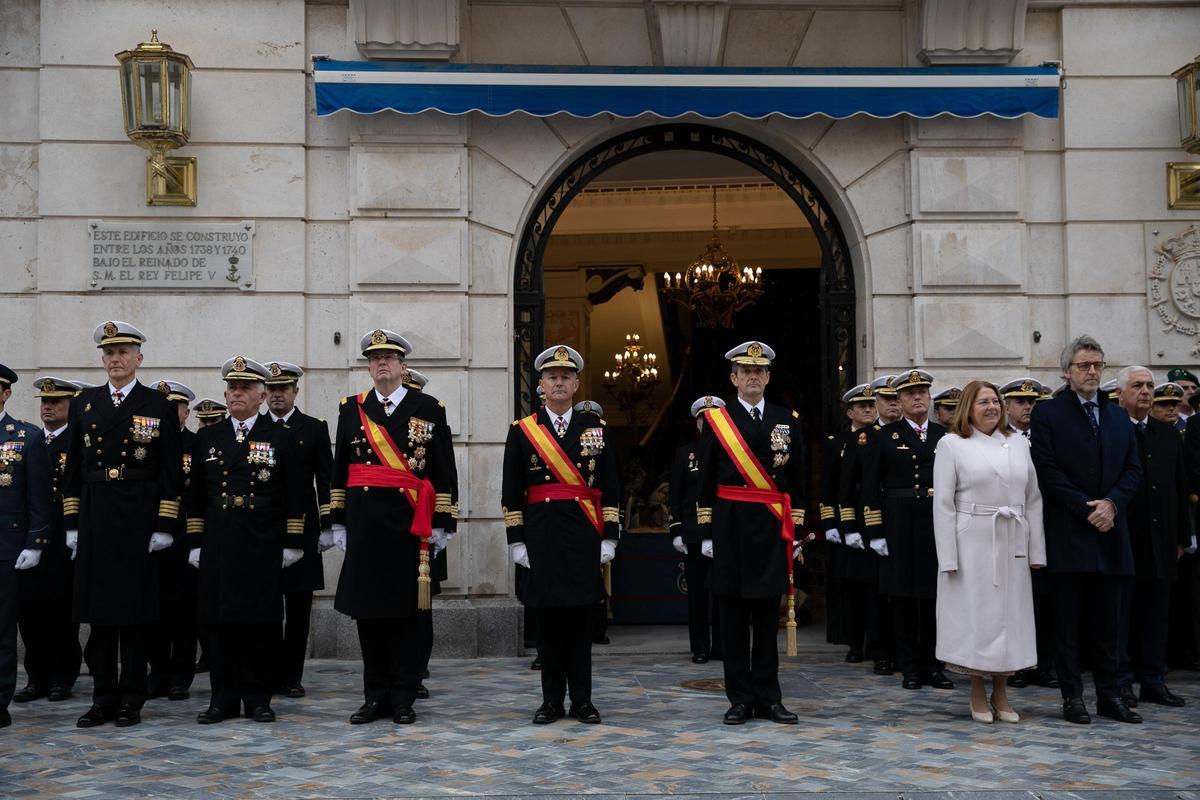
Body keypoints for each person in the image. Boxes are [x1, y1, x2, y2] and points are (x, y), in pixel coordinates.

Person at [331, 329, 457, 726]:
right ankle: (375, 696)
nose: (381, 363)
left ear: (403, 366)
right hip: (366, 527)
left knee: (406, 617)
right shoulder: (351, 409)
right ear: (368, 367)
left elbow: (443, 469)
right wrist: (337, 522)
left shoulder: (428, 408)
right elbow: (340, 472)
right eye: (374, 358)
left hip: (409, 528)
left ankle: (403, 696)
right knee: (369, 617)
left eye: (389, 357)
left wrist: (442, 524)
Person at [64, 321, 184, 728]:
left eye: (123, 353)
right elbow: (74, 472)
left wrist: (165, 525)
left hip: (139, 516)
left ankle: (132, 696)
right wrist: (72, 523)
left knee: (134, 618)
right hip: (97, 515)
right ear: (103, 359)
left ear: (139, 359)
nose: (116, 359)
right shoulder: (85, 403)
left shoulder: (157, 405)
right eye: (109, 353)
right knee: (99, 618)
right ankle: (102, 696)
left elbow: (171, 472)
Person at [502, 345, 620, 725]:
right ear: (540, 385)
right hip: (543, 539)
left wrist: (610, 537)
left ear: (577, 384)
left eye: (565, 377)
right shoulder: (522, 432)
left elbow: (612, 486)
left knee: (581, 626)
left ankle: (582, 701)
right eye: (552, 377)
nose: (559, 383)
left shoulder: (596, 431)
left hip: (584, 537)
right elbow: (510, 492)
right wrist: (516, 541)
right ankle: (551, 701)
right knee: (549, 627)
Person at [1030, 334, 1143, 725]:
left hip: (1111, 531)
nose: (1092, 371)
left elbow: (1133, 468)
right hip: (1069, 532)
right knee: (1068, 624)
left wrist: (1111, 504)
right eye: (1084, 365)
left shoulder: (1116, 415)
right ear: (1067, 371)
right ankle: (1072, 697)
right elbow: (1046, 470)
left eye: (1098, 364)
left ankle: (1110, 696)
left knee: (1109, 624)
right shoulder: (1049, 413)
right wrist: (1085, 508)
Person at [187, 357, 305, 724]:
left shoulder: (280, 437)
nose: (237, 394)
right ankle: (222, 698)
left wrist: (292, 542)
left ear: (261, 396)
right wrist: (194, 541)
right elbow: (195, 495)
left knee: (261, 623)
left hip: (262, 540)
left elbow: (295, 493)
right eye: (232, 389)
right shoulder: (208, 436)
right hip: (220, 540)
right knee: (219, 623)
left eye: (245, 389)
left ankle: (258, 697)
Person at [695, 341, 804, 725]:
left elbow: (798, 479)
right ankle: (739, 698)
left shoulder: (786, 418)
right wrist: (706, 533)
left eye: (760, 371)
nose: (753, 376)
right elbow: (705, 480)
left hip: (772, 528)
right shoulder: (716, 421)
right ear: (734, 378)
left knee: (765, 616)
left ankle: (769, 697)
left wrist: (799, 532)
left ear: (768, 377)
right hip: (730, 527)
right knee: (734, 620)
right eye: (746, 371)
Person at [933, 381, 1046, 724]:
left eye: (995, 402)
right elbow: (943, 504)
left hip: (1011, 539)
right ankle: (977, 691)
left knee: (1010, 618)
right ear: (969, 407)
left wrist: (1036, 550)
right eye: (983, 402)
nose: (991, 408)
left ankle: (1002, 691)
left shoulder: (1018, 444)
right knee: (978, 619)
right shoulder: (952, 444)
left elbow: (1033, 499)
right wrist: (948, 556)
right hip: (973, 542)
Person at [860, 370, 954, 691]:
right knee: (901, 599)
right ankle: (909, 666)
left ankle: (934, 665)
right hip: (898, 522)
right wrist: (874, 533)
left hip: (935, 521)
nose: (918, 398)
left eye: (923, 393)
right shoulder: (884, 436)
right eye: (910, 394)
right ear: (898, 401)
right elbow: (870, 490)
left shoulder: (946, 437)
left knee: (933, 598)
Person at [1115, 370, 1191, 709]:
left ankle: (1153, 680)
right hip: (1126, 537)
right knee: (1123, 614)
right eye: (1138, 386)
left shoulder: (1168, 433)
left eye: (1149, 387)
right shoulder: (1112, 431)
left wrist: (1180, 536)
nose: (1146, 392)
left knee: (1157, 613)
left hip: (1162, 540)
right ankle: (1121, 680)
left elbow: (1179, 486)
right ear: (1120, 394)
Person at [263, 360, 333, 700]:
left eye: (284, 389)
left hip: (303, 530)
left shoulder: (313, 428)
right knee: (266, 607)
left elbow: (326, 479)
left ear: (295, 392)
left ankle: (291, 675)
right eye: (272, 390)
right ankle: (268, 671)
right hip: (262, 531)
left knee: (299, 609)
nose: (277, 395)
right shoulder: (254, 427)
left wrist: (328, 526)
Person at [13, 377, 82, 706]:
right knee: (29, 612)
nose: (48, 406)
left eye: (56, 401)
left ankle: (61, 676)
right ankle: (35, 677)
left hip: (62, 541)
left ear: (71, 405)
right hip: (29, 539)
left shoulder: (77, 441)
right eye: (44, 401)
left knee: (61, 612)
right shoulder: (30, 439)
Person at [398, 366, 458, 698]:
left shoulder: (430, 422)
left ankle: (417, 669)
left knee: (422, 609)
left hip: (426, 528)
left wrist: (444, 525)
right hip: (394, 525)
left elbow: (446, 471)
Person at [837, 375, 900, 676]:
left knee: (900, 592)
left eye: (895, 398)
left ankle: (904, 649)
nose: (892, 404)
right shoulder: (861, 439)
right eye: (887, 399)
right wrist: (849, 527)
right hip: (870, 523)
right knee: (874, 593)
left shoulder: (910, 434)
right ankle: (879, 651)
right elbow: (847, 487)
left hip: (902, 523)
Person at [997, 377, 1058, 690]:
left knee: (1045, 600)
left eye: (1032, 402)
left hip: (1046, 524)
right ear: (1006, 406)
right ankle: (1016, 664)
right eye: (1020, 402)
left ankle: (1044, 663)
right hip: (1012, 526)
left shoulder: (1047, 436)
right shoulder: (999, 438)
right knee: (1015, 600)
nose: (1027, 407)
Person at [0, 365, 50, 729]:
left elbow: (39, 498)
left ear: (5, 394)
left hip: (6, 545)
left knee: (2, 628)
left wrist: (35, 542)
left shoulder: (26, 437)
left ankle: (0, 699)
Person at [145, 379, 199, 702]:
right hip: (152, 537)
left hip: (185, 536)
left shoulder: (197, 442)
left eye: (174, 406)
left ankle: (181, 675)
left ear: (185, 411)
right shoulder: (146, 444)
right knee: (155, 610)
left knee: (184, 612)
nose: (168, 411)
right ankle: (158, 671)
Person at [822, 384, 876, 662]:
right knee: (852, 588)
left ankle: (876, 644)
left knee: (876, 589)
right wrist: (830, 522)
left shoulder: (882, 438)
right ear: (850, 411)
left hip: (876, 522)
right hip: (847, 523)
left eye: (871, 405)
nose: (868, 410)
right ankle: (855, 644)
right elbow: (829, 486)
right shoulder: (837, 443)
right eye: (862, 407)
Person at [670, 396, 724, 664]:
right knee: (698, 596)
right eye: (705, 418)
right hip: (693, 532)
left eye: (715, 418)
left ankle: (723, 646)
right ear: (699, 422)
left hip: (724, 531)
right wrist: (676, 530)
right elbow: (677, 494)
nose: (710, 423)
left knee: (725, 593)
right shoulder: (686, 453)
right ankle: (700, 647)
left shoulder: (731, 451)